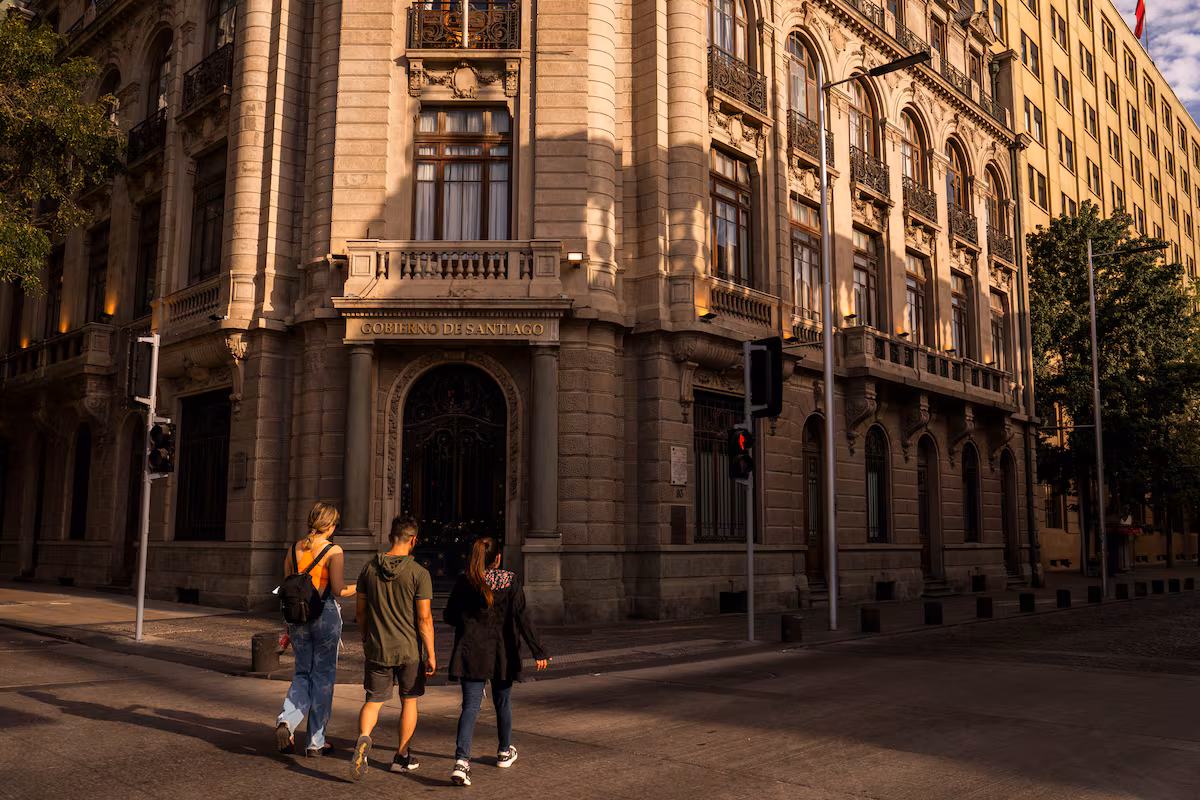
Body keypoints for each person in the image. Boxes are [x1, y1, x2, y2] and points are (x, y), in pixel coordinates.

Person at [444, 537, 550, 787]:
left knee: (470, 707)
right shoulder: (510, 581)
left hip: (472, 651)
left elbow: (449, 616)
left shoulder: (465, 580)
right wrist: (539, 650)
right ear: (498, 558)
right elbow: (523, 616)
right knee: (503, 703)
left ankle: (461, 762)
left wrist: (468, 619)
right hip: (503, 652)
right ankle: (504, 751)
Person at [350, 517, 435, 781]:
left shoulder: (368, 569)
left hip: (377, 647)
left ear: (390, 537)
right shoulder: (420, 573)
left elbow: (360, 611)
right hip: (409, 649)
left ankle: (363, 739)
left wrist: (366, 637)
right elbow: (424, 619)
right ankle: (401, 756)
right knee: (409, 701)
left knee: (373, 701)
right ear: (413, 540)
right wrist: (430, 653)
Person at [275, 502, 356, 757]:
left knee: (302, 672)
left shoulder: (293, 549)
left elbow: (287, 587)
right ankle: (315, 742)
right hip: (324, 616)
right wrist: (362, 586)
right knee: (322, 678)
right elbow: (338, 589)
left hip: (297, 618)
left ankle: (286, 720)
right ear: (330, 526)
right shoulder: (334, 551)